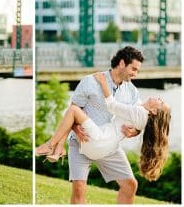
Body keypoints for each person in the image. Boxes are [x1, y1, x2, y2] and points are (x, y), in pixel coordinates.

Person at [38, 46, 145, 204]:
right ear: (122, 63)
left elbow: (139, 116)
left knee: (130, 185)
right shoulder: (91, 81)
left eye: (137, 70)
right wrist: (76, 129)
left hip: (110, 145)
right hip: (82, 141)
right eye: (133, 69)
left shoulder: (132, 92)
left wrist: (135, 131)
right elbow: (73, 110)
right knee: (79, 188)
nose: (135, 73)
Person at [36, 72, 171, 182]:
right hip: (104, 147)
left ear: (154, 112)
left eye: (161, 102)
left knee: (73, 110)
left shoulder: (140, 112)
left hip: (100, 140)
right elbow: (135, 113)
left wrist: (102, 81)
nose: (159, 98)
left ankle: (51, 144)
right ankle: (59, 147)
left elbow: (112, 105)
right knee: (74, 113)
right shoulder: (141, 115)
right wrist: (137, 131)